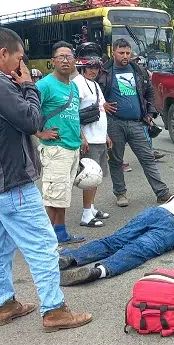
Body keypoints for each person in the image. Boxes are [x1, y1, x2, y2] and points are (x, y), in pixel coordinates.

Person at [0, 26, 92, 332]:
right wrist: (28, 85)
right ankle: (54, 310)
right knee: (43, 244)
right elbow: (32, 119)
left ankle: (4, 303)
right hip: (11, 179)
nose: (20, 66)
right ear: (3, 53)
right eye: (18, 58)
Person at [58, 188, 174, 286]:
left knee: (114, 240)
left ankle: (71, 257)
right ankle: (99, 271)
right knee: (137, 250)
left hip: (158, 212)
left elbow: (171, 200)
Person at [98, 38, 170, 207]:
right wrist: (102, 105)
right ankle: (120, 194)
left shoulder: (138, 70)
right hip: (114, 123)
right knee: (116, 160)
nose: (125, 56)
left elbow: (149, 92)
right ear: (113, 53)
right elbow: (94, 95)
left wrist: (150, 112)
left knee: (147, 158)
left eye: (128, 53)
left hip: (136, 123)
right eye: (121, 53)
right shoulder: (104, 72)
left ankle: (162, 193)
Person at [35, 41, 87, 245]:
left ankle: (60, 232)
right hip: (55, 149)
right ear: (52, 62)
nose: (66, 60)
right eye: (61, 57)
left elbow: (74, 114)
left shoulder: (73, 86)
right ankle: (45, 243)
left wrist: (82, 137)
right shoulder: (45, 85)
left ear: (75, 61)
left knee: (62, 195)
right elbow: (27, 111)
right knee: (52, 196)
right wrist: (40, 132)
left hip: (72, 147)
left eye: (69, 57)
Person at [72, 43, 111, 228]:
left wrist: (107, 136)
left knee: (96, 176)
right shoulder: (78, 84)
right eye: (90, 67)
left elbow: (101, 110)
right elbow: (73, 113)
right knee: (88, 176)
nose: (93, 70)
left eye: (96, 67)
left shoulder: (95, 84)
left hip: (99, 138)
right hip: (89, 139)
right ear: (82, 67)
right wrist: (82, 137)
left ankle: (92, 208)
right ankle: (86, 214)